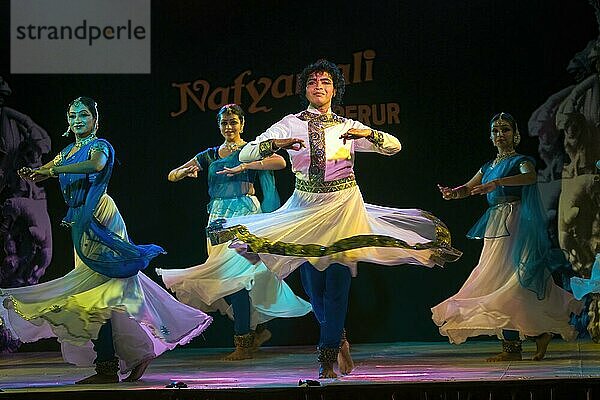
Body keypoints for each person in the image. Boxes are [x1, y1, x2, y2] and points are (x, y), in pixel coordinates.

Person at [208, 60, 461, 378]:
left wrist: (367, 132)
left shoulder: (347, 126)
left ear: (334, 89)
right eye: (312, 81)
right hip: (306, 206)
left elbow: (395, 147)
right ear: (304, 89)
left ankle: (325, 358)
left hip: (343, 205)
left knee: (337, 279)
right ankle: (338, 338)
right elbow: (246, 154)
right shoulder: (290, 123)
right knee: (314, 286)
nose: (318, 86)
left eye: (325, 82)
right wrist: (278, 144)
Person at [0, 97, 212, 384]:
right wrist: (35, 172)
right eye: (73, 115)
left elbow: (96, 166)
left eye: (83, 115)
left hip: (100, 216)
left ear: (95, 120)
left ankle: (111, 364)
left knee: (102, 294)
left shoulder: (100, 147)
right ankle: (131, 353)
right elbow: (46, 169)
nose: (77, 120)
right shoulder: (67, 152)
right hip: (80, 222)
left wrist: (53, 170)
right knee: (105, 296)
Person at [156, 104, 311, 360]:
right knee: (224, 279)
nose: (229, 127)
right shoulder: (210, 154)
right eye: (224, 122)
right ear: (219, 126)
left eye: (233, 122)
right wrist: (183, 172)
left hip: (246, 216)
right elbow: (171, 175)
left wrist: (245, 165)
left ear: (242, 124)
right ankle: (255, 330)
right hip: (217, 219)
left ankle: (243, 341)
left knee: (237, 278)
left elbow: (280, 161)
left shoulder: (249, 150)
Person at [432, 112, 582, 362]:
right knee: (494, 279)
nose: (500, 135)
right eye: (495, 131)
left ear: (515, 134)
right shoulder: (487, 167)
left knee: (516, 279)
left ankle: (533, 335)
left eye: (505, 130)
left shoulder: (521, 161)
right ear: (491, 137)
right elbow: (469, 188)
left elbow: (530, 177)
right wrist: (453, 193)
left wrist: (498, 183)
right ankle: (524, 341)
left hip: (518, 222)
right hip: (496, 224)